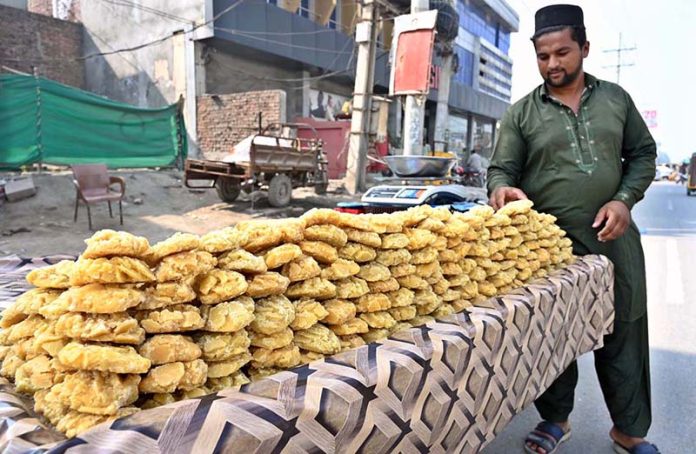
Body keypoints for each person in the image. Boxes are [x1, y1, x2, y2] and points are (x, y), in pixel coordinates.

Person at [487, 5, 658, 454]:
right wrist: (503, 191)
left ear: (583, 48)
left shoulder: (616, 100)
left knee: (624, 332)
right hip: (550, 253)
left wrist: (624, 200)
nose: (553, 64)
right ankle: (555, 420)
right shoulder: (522, 113)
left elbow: (642, 154)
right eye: (543, 56)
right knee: (551, 337)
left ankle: (629, 430)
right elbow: (500, 171)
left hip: (613, 243)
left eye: (562, 53)